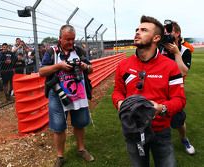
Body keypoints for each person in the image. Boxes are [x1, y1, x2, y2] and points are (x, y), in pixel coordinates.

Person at [112, 15, 186, 167]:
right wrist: (120, 104)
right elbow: (117, 92)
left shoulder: (171, 66)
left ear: (156, 38)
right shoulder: (123, 65)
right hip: (133, 129)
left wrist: (161, 108)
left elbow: (179, 99)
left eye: (144, 30)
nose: (137, 32)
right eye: (137, 29)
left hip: (161, 130)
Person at [39, 24, 94, 167]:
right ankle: (60, 156)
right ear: (60, 38)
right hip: (57, 93)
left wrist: (84, 66)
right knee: (58, 126)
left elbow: (91, 69)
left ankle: (81, 149)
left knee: (80, 123)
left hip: (78, 93)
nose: (71, 42)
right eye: (67, 39)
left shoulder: (79, 50)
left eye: (73, 39)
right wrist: (59, 66)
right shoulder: (52, 52)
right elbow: (42, 71)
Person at [160, 20, 195, 155]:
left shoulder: (184, 50)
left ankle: (184, 139)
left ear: (178, 33)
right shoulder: (160, 47)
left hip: (175, 91)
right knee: (155, 118)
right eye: (165, 31)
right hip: (158, 88)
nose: (166, 34)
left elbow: (183, 72)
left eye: (170, 31)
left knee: (178, 121)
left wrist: (176, 53)